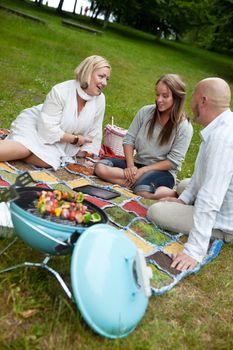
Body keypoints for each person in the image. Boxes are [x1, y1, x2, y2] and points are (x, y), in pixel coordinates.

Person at [147, 77, 233, 271]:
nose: (190, 102)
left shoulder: (222, 139)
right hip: (225, 197)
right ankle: (187, 202)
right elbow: (202, 175)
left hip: (224, 219)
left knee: (156, 211)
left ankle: (219, 232)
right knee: (184, 186)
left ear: (203, 101)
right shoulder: (222, 124)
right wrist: (183, 200)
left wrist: (194, 250)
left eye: (193, 95)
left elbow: (210, 197)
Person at [0, 55, 111, 170]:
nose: (104, 83)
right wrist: (76, 139)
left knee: (48, 161)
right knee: (24, 148)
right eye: (101, 76)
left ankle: (18, 154)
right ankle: (19, 149)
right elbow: (46, 129)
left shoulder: (100, 99)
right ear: (87, 73)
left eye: (107, 79)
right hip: (38, 125)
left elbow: (95, 130)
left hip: (59, 140)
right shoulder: (61, 91)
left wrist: (81, 157)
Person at [94, 74, 193, 199]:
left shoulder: (184, 127)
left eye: (165, 96)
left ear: (177, 98)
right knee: (100, 167)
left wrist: (143, 171)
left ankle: (174, 194)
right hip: (137, 164)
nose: (159, 100)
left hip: (162, 172)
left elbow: (173, 161)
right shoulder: (145, 112)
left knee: (142, 192)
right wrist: (131, 166)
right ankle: (136, 184)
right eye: (157, 94)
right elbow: (129, 140)